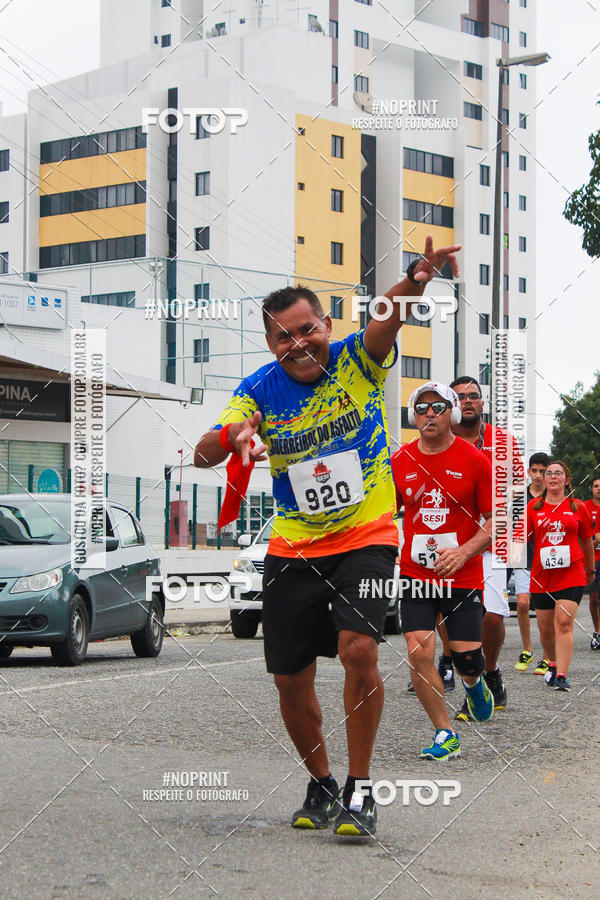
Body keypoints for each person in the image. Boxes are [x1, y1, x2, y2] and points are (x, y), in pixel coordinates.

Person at [194, 237, 460, 836]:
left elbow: (385, 319)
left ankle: (362, 788)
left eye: (307, 329)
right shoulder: (259, 389)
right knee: (289, 677)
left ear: (325, 324)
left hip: (366, 531)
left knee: (359, 650)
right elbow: (204, 450)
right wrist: (235, 435)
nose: (298, 343)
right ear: (269, 343)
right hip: (293, 544)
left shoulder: (354, 360)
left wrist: (416, 280)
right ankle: (321, 785)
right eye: (283, 336)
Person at [391, 382, 494, 761]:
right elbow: (387, 512)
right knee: (419, 651)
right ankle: (444, 731)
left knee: (467, 659)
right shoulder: (400, 461)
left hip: (462, 576)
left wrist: (465, 551)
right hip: (416, 574)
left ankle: (474, 684)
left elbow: (495, 520)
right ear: (413, 416)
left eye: (437, 407)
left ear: (451, 413)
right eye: (421, 408)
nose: (429, 413)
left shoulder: (474, 460)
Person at [446, 376, 524, 720]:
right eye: (460, 397)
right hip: (451, 543)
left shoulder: (504, 442)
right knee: (455, 619)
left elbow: (519, 492)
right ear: (451, 404)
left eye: (473, 396)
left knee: (491, 617)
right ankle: (471, 681)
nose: (467, 401)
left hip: (492, 541)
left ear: (482, 402)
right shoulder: (439, 440)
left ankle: (490, 671)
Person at [528, 460, 595, 691]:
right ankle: (553, 664)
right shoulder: (533, 508)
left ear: (566, 480)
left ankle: (562, 676)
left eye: (558, 474)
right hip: (541, 576)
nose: (553, 477)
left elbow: (586, 540)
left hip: (571, 574)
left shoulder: (578, 507)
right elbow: (521, 538)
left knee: (564, 623)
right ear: (544, 480)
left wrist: (591, 568)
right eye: (549, 473)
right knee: (546, 631)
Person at [514, 453, 551, 672]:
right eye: (534, 470)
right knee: (522, 604)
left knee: (546, 609)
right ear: (528, 472)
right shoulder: (518, 497)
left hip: (547, 561)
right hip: (524, 559)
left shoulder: (553, 496)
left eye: (543, 471)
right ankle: (527, 649)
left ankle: (548, 656)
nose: (538, 475)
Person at [584, 476, 600, 649]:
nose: (599, 489)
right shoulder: (584, 507)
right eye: (596, 486)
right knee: (594, 598)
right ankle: (597, 632)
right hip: (592, 559)